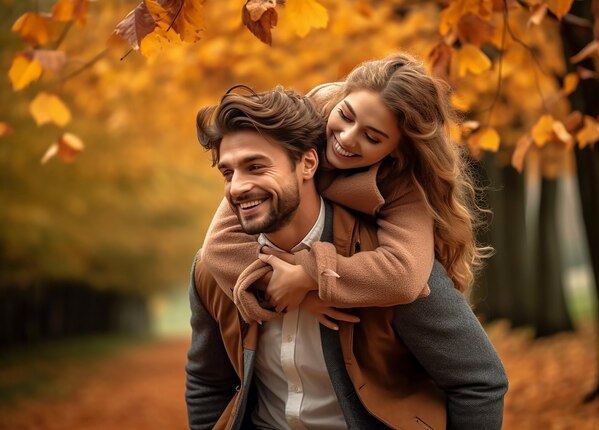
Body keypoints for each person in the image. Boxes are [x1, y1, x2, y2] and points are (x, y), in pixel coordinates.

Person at [186, 86, 508, 429]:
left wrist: (312, 278)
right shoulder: (214, 270)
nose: (237, 187)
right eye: (227, 172)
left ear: (308, 162)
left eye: (256, 166)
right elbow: (208, 383)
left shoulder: (390, 265)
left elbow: (479, 381)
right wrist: (286, 285)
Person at [200, 53, 488, 327]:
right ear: (340, 99)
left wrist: (308, 276)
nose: (347, 138)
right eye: (346, 116)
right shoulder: (308, 118)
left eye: (372, 137)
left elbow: (404, 276)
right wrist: (300, 293)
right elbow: (219, 246)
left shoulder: (403, 180)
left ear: (396, 151)